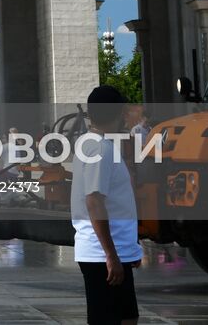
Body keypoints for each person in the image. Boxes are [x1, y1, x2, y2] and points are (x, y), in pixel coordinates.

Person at [70, 86, 141, 325]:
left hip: (113, 250)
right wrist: (111, 255)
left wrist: (130, 245)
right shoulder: (99, 148)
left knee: (127, 318)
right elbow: (94, 201)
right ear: (118, 112)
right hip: (103, 256)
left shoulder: (92, 144)